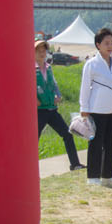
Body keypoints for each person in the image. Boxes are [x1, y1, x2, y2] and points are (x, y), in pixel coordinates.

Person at [79, 27, 112, 188]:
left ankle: (109, 175)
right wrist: (84, 107)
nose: (110, 46)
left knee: (111, 143)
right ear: (98, 45)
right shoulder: (92, 64)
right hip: (97, 108)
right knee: (96, 143)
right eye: (106, 43)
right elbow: (85, 87)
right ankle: (93, 176)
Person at [35, 39, 82, 171]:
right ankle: (30, 167)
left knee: (67, 134)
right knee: (34, 140)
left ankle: (75, 164)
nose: (42, 53)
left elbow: (54, 84)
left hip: (52, 109)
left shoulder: (48, 68)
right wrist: (34, 99)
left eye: (44, 51)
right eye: (39, 51)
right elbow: (27, 86)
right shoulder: (31, 68)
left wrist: (58, 95)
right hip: (39, 110)